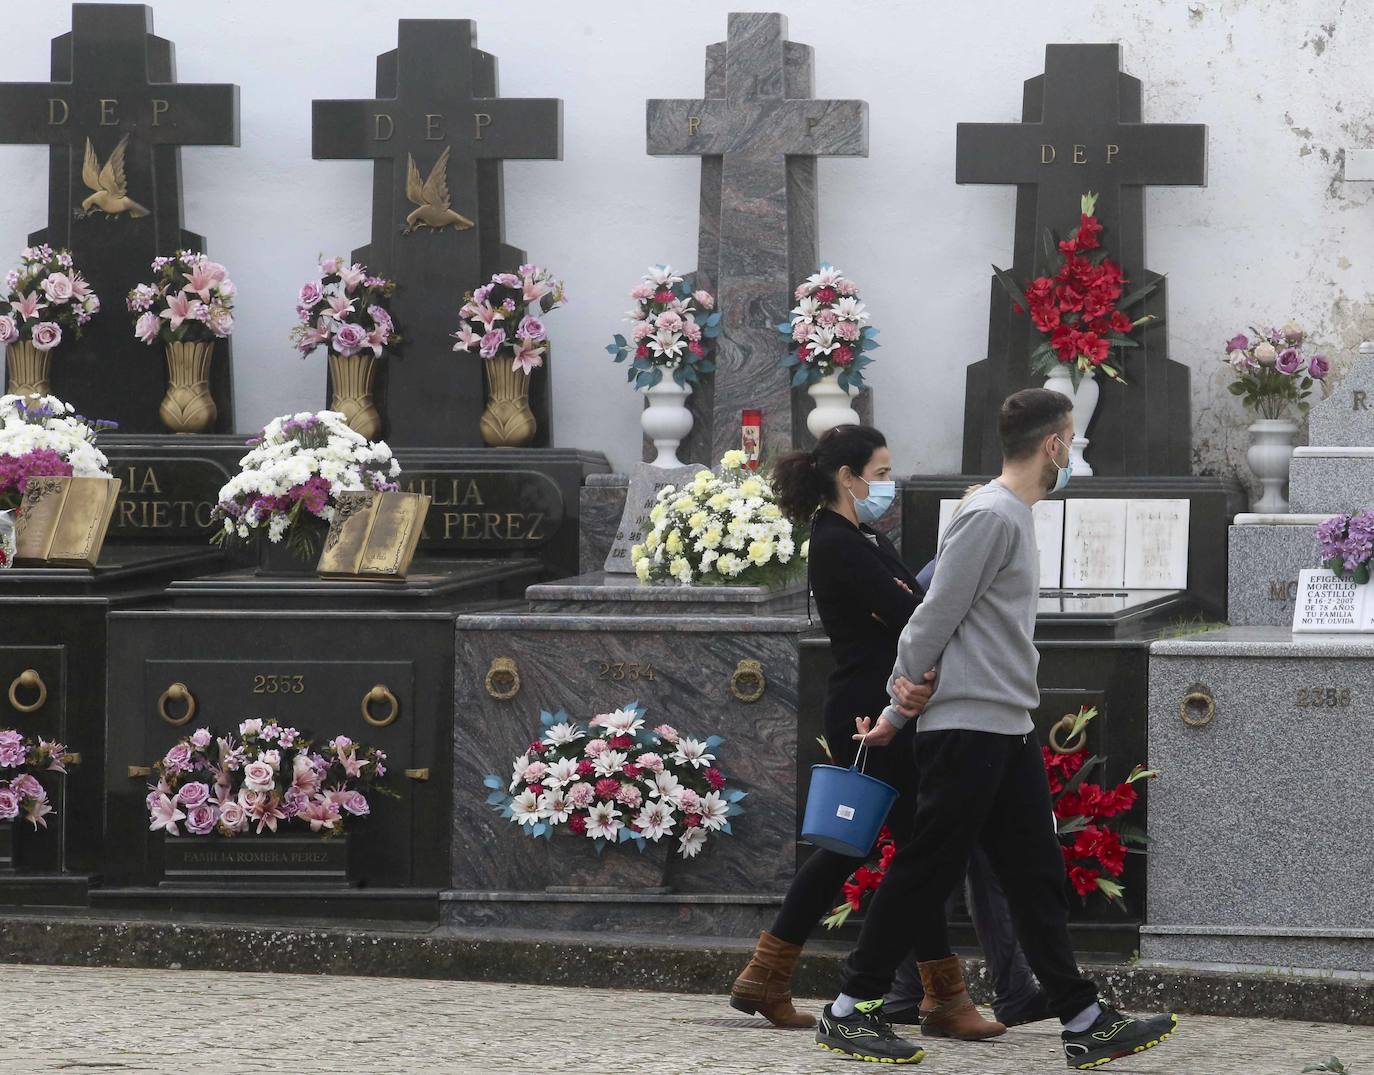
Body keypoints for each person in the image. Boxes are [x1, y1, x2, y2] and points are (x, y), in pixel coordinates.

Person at [813, 390, 1179, 1069]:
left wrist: (900, 709)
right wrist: (901, 695)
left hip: (1002, 723)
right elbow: (932, 614)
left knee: (1034, 873)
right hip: (969, 726)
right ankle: (849, 1008)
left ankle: (1083, 1015)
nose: (1071, 450)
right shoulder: (991, 515)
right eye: (1070, 438)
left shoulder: (1008, 513)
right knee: (929, 866)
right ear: (1054, 444)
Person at [730, 424, 1046, 1037]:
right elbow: (913, 612)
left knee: (914, 852)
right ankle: (777, 976)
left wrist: (961, 545)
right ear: (846, 478)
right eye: (878, 474)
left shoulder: (863, 535)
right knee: (868, 849)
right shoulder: (836, 542)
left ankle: (936, 995)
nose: (886, 485)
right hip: (870, 711)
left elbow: (916, 596)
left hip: (893, 702)